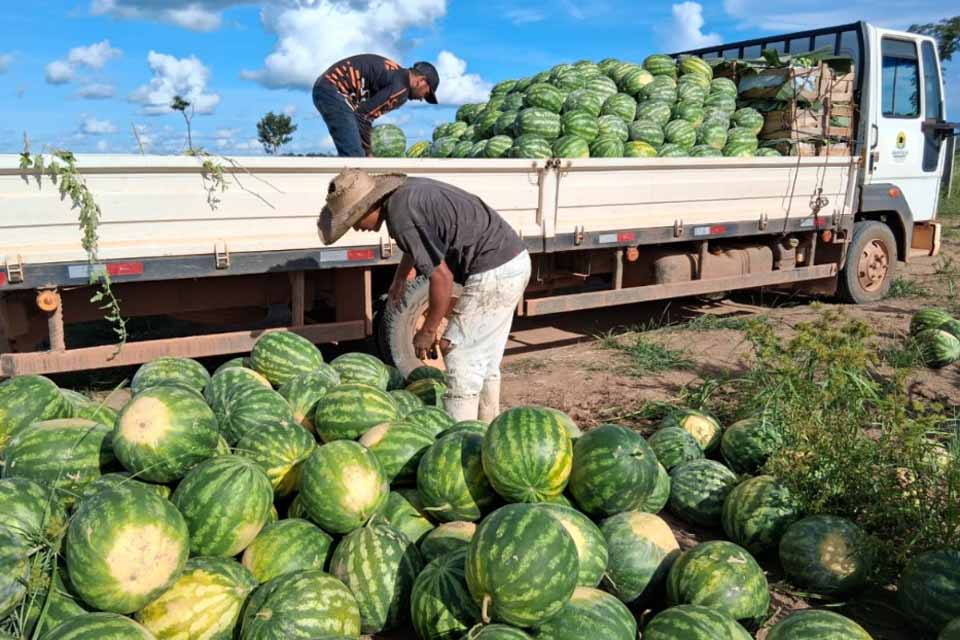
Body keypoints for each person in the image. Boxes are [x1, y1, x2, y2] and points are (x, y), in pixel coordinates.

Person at [318, 169, 531, 422]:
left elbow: (442, 278)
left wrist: (428, 331)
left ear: (369, 206)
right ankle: (487, 426)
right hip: (512, 261)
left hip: (494, 270)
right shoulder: (403, 197)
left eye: (353, 218)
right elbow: (419, 242)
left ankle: (460, 435)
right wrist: (400, 277)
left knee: (457, 351)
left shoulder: (401, 214)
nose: (354, 227)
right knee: (484, 359)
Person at [312, 55, 439, 157]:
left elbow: (362, 115)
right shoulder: (401, 90)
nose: (422, 99)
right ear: (421, 81)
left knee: (354, 153)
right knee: (355, 157)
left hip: (328, 88)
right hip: (333, 90)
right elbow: (363, 117)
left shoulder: (396, 74)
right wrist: (368, 153)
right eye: (426, 93)